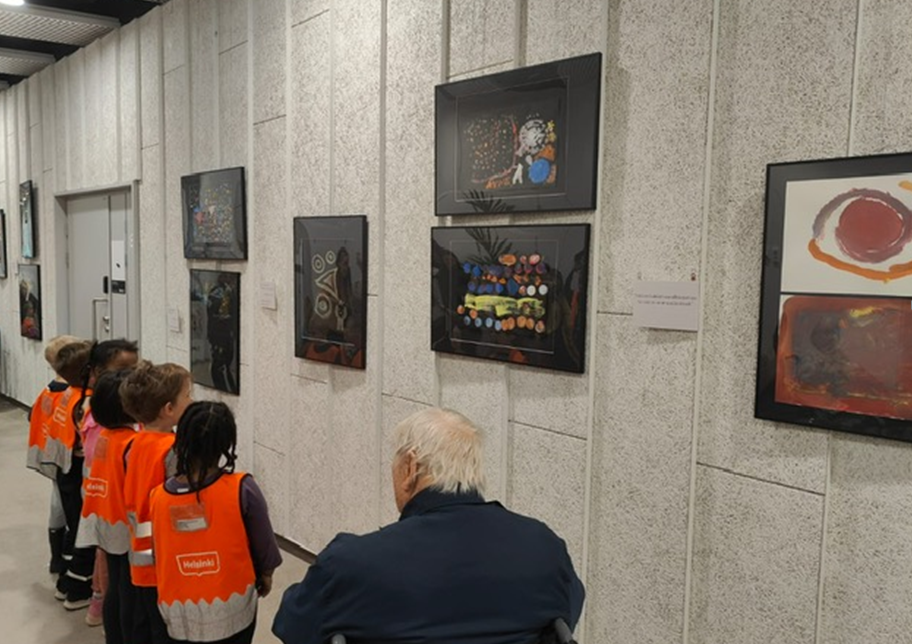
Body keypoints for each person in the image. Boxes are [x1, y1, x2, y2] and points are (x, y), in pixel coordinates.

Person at [273, 408, 585, 644]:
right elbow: (564, 617)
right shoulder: (545, 549)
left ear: (410, 467)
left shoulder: (353, 562)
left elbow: (295, 625)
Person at [149, 402, 282, 644]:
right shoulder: (243, 488)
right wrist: (266, 575)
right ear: (226, 443)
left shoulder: (158, 497)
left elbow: (158, 553)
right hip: (232, 608)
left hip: (179, 611)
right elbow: (265, 545)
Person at [120, 361, 192, 644]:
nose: (192, 401)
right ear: (169, 409)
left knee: (146, 619)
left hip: (138, 546)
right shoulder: (172, 451)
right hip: (163, 552)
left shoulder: (134, 441)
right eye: (187, 395)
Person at [78, 339, 140, 627]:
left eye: (134, 370)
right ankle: (100, 606)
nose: (132, 378)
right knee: (117, 574)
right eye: (123, 371)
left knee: (114, 569)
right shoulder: (106, 428)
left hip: (106, 505)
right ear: (99, 373)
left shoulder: (110, 425)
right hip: (115, 511)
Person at [43, 340, 96, 610]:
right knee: (82, 531)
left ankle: (65, 577)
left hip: (64, 470)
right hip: (78, 472)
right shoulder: (83, 401)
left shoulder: (64, 393)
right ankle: (75, 588)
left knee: (74, 525)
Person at [27, 335, 86, 576]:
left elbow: (33, 415)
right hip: (69, 459)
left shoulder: (49, 389)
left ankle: (57, 558)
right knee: (70, 509)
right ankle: (67, 558)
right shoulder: (71, 395)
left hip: (53, 455)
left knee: (58, 504)